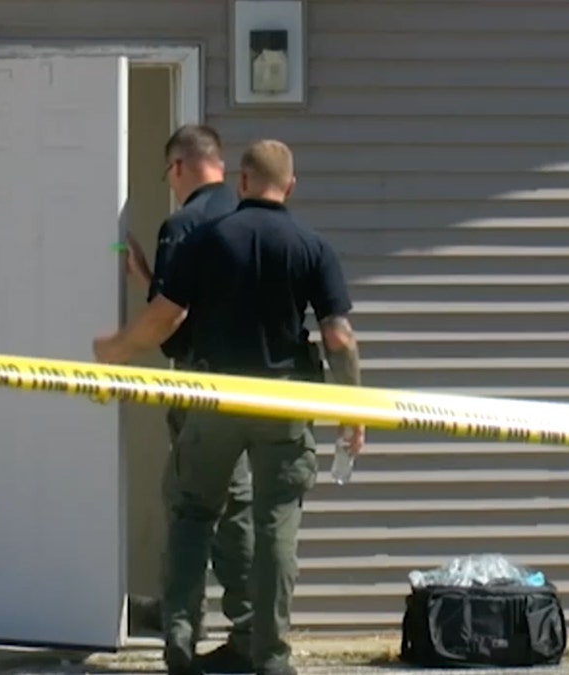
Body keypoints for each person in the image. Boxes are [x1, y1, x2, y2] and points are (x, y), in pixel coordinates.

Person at [94, 139, 365, 675]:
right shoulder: (312, 248)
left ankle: (178, 639)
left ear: (241, 183)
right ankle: (269, 655)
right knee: (275, 525)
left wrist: (114, 352)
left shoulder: (209, 241)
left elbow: (167, 319)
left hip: (215, 399)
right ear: (289, 187)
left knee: (194, 513)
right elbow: (339, 338)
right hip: (284, 404)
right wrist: (353, 410)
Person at [123, 124, 254, 674]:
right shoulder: (254, 218)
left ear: (179, 167)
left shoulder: (183, 226)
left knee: (190, 512)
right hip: (256, 392)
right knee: (242, 514)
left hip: (202, 390)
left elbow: (174, 329)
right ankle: (253, 636)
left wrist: (145, 291)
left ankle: (180, 641)